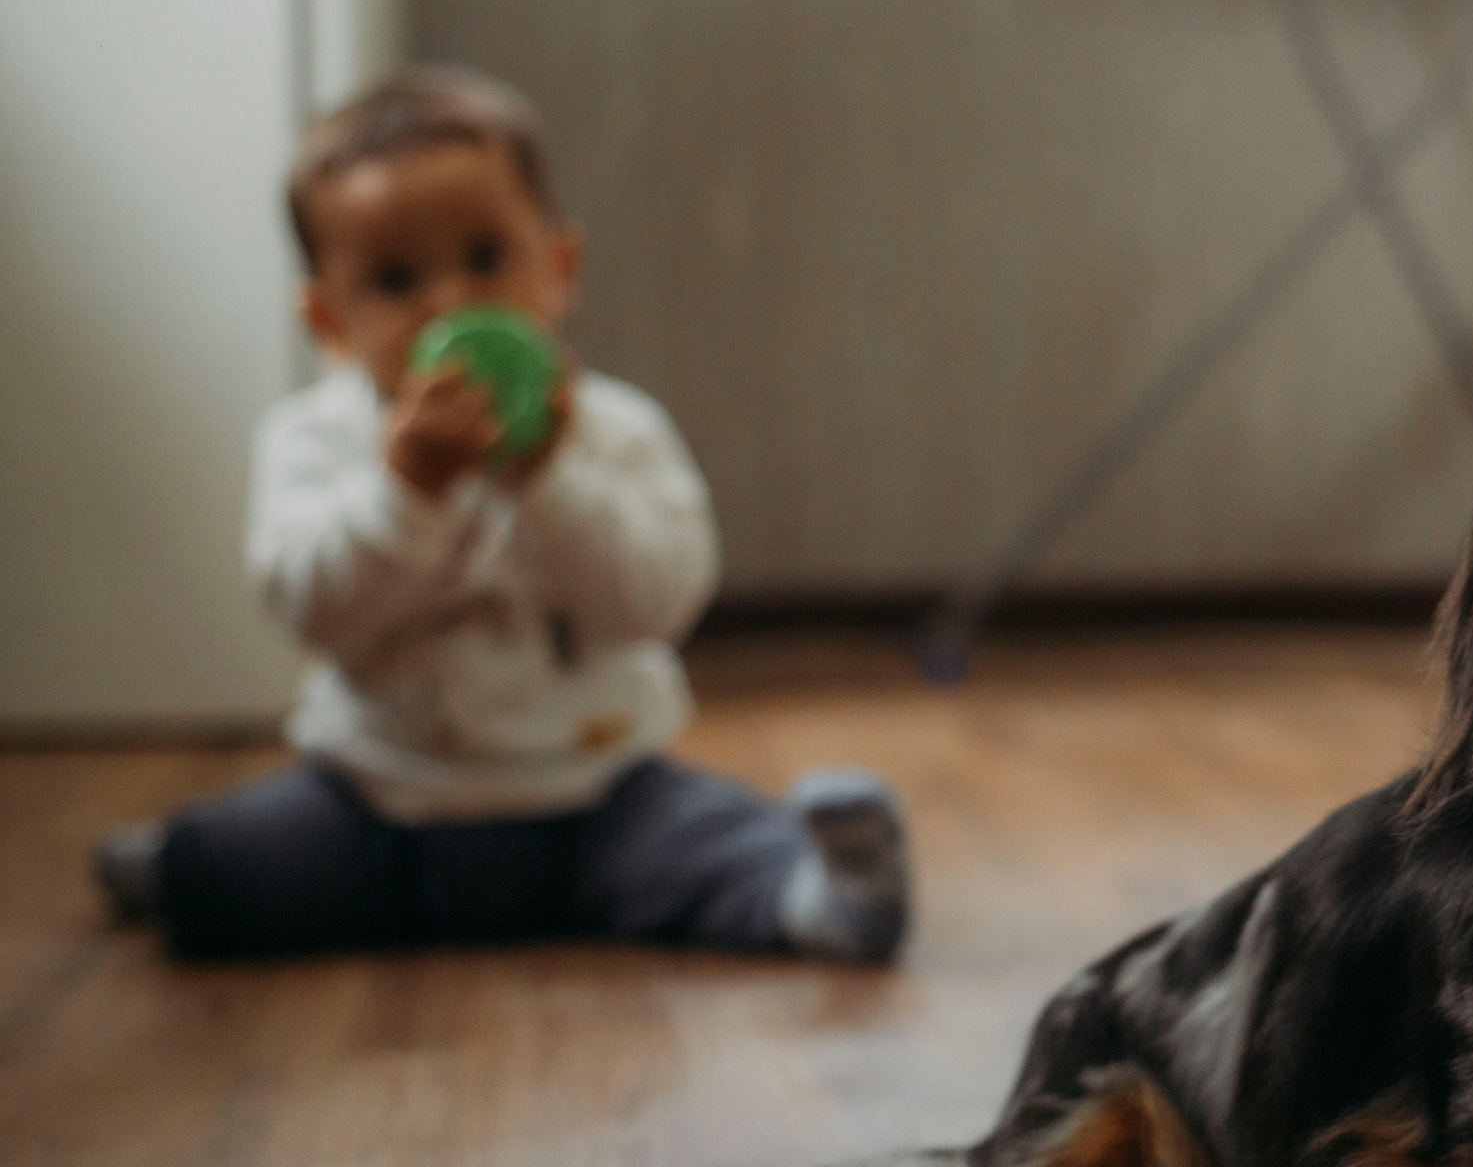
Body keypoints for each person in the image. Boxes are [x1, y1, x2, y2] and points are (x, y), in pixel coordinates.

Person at [93, 66, 906, 963]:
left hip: (599, 794)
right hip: (382, 802)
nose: (451, 303)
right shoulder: (313, 442)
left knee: (713, 837)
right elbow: (305, 608)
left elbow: (655, 603)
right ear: (329, 320)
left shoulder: (617, 430)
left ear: (558, 270)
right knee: (244, 864)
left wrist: (546, 478)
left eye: (486, 259)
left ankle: (817, 896)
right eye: (396, 279)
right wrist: (405, 492)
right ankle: (181, 866)